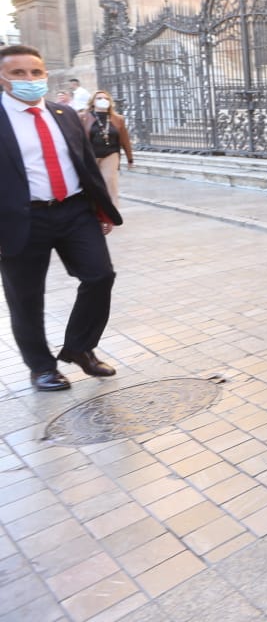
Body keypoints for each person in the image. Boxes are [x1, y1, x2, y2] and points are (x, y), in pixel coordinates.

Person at [0, 46, 122, 391]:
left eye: (36, 72)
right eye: (18, 73)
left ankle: (80, 348)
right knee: (25, 297)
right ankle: (41, 367)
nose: (30, 79)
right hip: (20, 219)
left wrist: (101, 210)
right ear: (2, 77)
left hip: (74, 211)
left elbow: (84, 165)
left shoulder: (64, 113)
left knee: (100, 276)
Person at [81, 91, 134, 206]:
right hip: (91, 156)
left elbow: (125, 140)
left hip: (110, 155)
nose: (103, 100)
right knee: (94, 184)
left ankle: (112, 212)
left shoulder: (118, 119)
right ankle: (96, 211)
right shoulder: (84, 117)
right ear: (93, 102)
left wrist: (130, 158)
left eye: (106, 98)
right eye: (99, 98)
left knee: (110, 182)